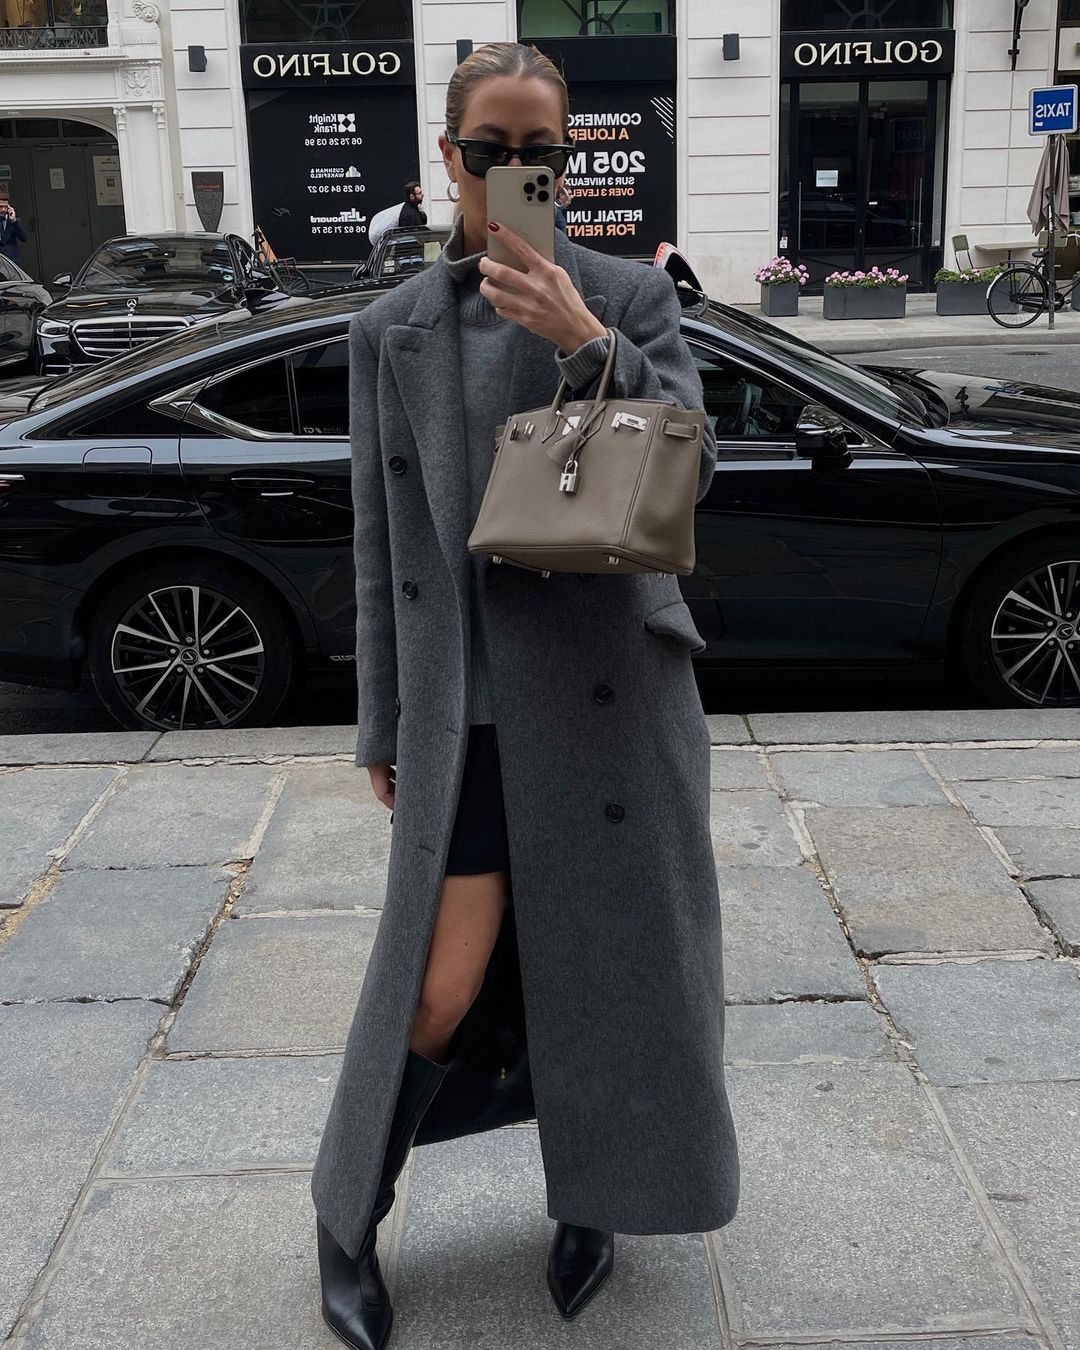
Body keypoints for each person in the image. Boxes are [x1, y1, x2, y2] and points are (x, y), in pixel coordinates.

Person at [310, 40, 739, 1350]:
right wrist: (384, 719)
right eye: (489, 151)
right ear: (448, 157)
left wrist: (587, 344)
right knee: (437, 987)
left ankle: (595, 1203)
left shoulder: (627, 297)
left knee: (601, 975)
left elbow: (692, 476)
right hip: (470, 718)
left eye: (538, 153)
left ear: (568, 159)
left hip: (612, 705)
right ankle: (347, 1219)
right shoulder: (391, 329)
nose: (513, 173)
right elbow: (382, 550)